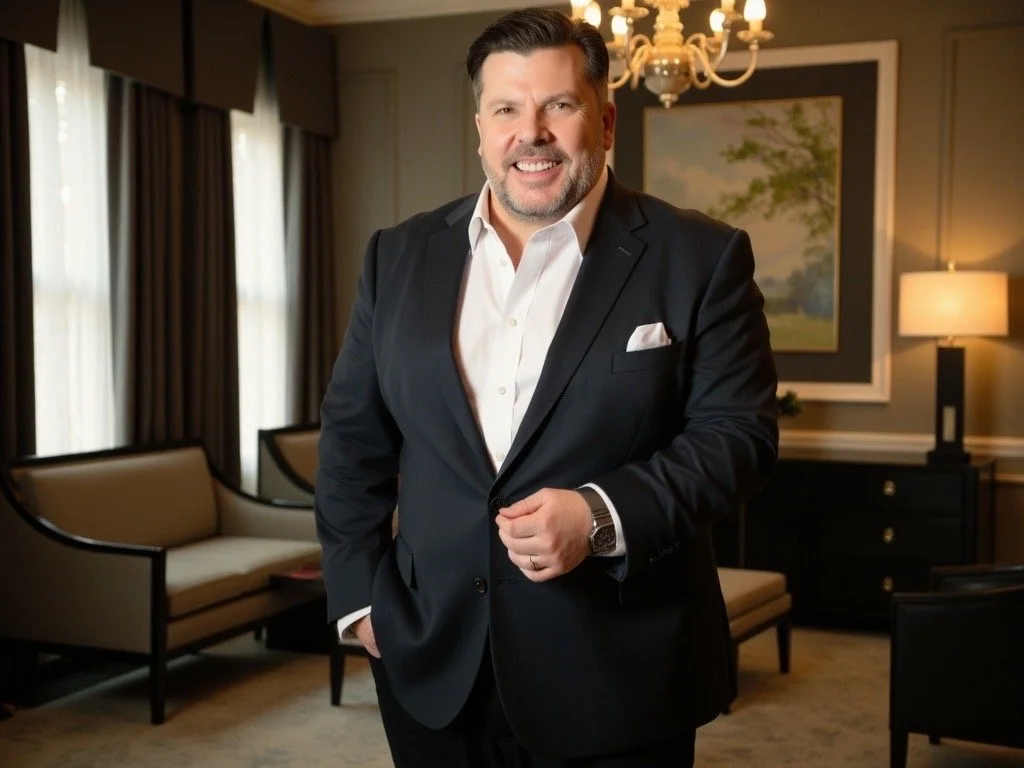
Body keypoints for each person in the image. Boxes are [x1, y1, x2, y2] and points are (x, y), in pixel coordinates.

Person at [314, 7, 779, 767]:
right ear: (480, 125)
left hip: (619, 674)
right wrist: (363, 606)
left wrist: (602, 514)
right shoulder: (395, 257)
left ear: (604, 119)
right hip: (430, 669)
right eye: (507, 108)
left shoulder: (701, 256)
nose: (531, 132)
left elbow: (739, 439)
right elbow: (352, 444)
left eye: (558, 106)